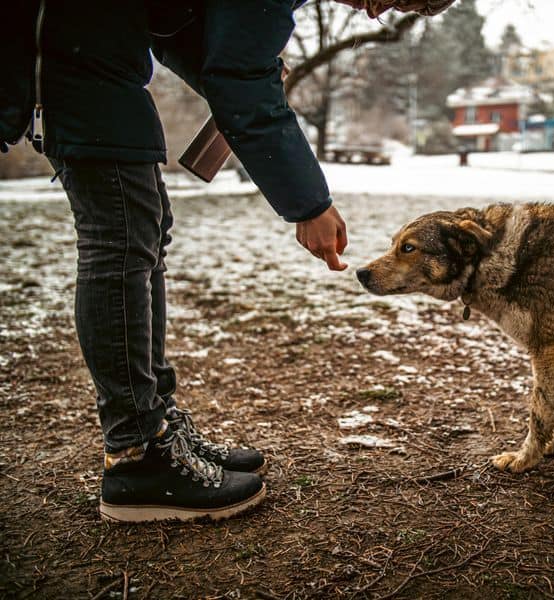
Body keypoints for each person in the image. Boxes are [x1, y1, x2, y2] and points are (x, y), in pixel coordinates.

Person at [1, 0, 348, 522]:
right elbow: (239, 82)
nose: (377, 14)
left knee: (144, 230)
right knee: (118, 242)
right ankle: (136, 453)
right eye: (398, 2)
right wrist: (310, 205)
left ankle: (153, 423)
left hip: (99, 47)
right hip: (74, 48)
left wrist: (224, 62)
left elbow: (167, 25)